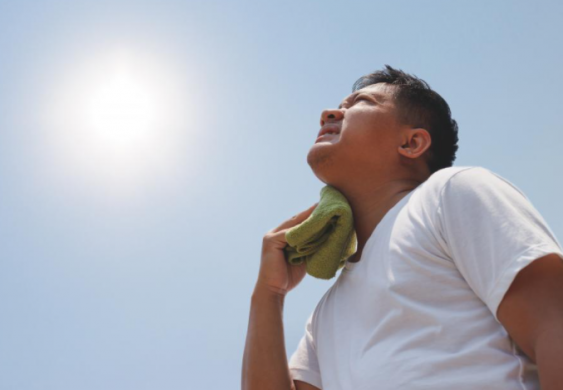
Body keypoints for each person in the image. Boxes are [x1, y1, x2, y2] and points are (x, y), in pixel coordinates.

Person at [241, 65, 563, 390]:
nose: (329, 113)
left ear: (411, 143)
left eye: (361, 102)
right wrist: (269, 293)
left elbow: (553, 323)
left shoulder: (450, 193)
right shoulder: (325, 316)